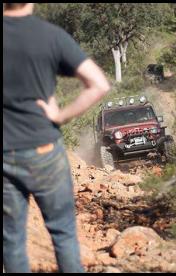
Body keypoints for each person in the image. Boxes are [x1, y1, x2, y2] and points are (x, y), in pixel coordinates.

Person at [3, 3, 110, 273]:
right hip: (44, 150)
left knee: (12, 242)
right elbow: (99, 84)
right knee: (63, 234)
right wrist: (60, 115)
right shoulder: (50, 35)